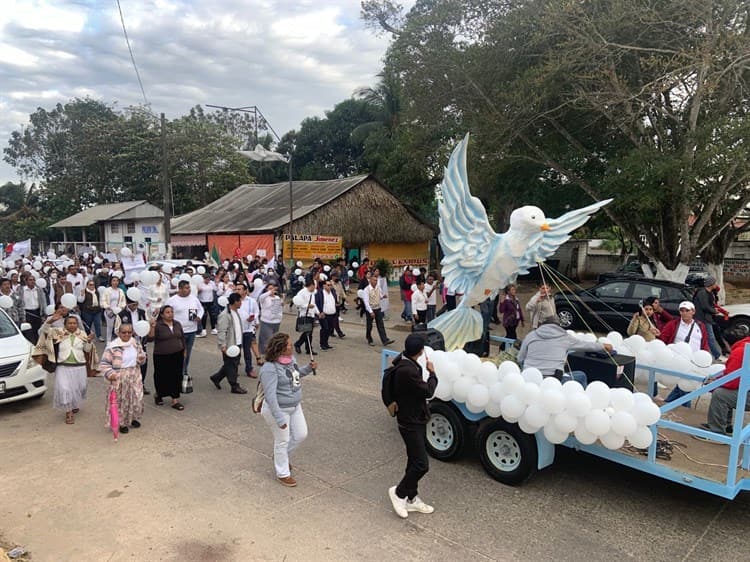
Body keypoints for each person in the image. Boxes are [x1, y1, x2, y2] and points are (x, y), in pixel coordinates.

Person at [387, 334, 438, 519]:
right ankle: (399, 493)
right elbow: (428, 392)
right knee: (422, 464)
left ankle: (412, 496)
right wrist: (432, 373)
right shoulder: (408, 371)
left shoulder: (402, 360)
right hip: (410, 421)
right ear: (420, 351)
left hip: (413, 417)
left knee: (413, 459)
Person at [259, 332, 317, 487]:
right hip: (278, 409)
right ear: (281, 348)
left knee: (301, 434)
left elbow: (296, 376)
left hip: (295, 405)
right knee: (282, 440)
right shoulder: (269, 369)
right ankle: (283, 473)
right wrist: (279, 418)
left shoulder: (291, 360)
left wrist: (308, 369)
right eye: (289, 345)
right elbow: (270, 397)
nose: (292, 347)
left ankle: (280, 457)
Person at [517, 315, 613, 386]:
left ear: (542, 325)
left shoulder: (531, 335)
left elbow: (520, 358)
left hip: (529, 379)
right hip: (554, 380)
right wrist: (603, 346)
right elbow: (586, 345)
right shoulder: (564, 337)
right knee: (581, 375)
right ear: (558, 326)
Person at [695, 328, 750, 441]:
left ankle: (717, 433)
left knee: (720, 394)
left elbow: (732, 382)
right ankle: (725, 425)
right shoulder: (745, 347)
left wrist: (714, 384)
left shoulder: (740, 352)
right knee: (725, 392)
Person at [40, 314, 94, 424]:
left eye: (74, 323)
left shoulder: (82, 334)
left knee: (80, 387)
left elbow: (87, 350)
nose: (72, 325)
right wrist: (49, 322)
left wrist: (89, 342)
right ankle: (69, 413)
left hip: (79, 366)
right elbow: (43, 332)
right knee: (65, 389)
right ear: (65, 324)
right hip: (63, 366)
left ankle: (74, 404)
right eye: (70, 323)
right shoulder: (58, 332)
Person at [99, 323, 147, 434]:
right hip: (119, 376)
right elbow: (104, 364)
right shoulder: (112, 346)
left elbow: (142, 357)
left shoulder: (135, 343)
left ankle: (133, 418)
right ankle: (121, 422)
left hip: (134, 374)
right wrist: (111, 374)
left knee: (136, 398)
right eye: (123, 332)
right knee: (121, 401)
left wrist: (141, 358)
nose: (126, 334)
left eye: (129, 332)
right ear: (118, 333)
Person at [659, 301, 710, 404]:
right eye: (682, 310)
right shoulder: (673, 324)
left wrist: (705, 360)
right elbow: (663, 340)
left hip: (695, 362)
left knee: (683, 386)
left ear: (693, 311)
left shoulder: (700, 326)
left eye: (687, 310)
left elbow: (704, 342)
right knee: (686, 386)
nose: (684, 313)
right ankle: (685, 410)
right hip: (679, 361)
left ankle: (667, 403)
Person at [147, 305, 186, 410]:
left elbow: (182, 337)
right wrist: (152, 327)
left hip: (177, 354)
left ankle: (175, 399)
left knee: (176, 375)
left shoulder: (177, 324)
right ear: (162, 315)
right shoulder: (158, 325)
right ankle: (159, 394)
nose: (170, 314)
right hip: (162, 355)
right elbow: (150, 339)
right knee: (162, 376)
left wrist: (184, 350)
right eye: (167, 312)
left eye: (172, 312)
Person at [210, 293, 248, 394]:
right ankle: (234, 385)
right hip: (230, 344)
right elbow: (222, 331)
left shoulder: (235, 312)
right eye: (239, 301)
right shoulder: (225, 315)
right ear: (235, 302)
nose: (241, 303)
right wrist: (223, 345)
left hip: (237, 343)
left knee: (230, 364)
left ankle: (216, 378)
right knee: (232, 365)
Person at [167, 280, 203, 379]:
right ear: (180, 289)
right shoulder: (172, 300)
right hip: (178, 331)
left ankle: (184, 372)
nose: (189, 290)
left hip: (191, 330)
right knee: (178, 353)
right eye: (186, 288)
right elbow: (166, 313)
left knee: (187, 353)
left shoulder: (194, 299)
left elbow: (201, 309)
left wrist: (199, 316)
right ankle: (176, 372)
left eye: (189, 288)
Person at [116, 296, 150, 395]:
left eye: (136, 304)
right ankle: (128, 385)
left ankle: (141, 383)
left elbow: (146, 324)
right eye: (133, 304)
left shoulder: (142, 312)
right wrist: (129, 333)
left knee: (143, 363)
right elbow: (116, 329)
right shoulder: (121, 315)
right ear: (128, 302)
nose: (135, 306)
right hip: (127, 344)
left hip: (140, 342)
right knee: (129, 364)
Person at [693, 276, 723, 359]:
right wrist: (714, 311)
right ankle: (717, 355)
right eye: (714, 283)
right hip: (702, 318)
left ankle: (703, 353)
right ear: (711, 284)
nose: (716, 285)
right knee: (710, 337)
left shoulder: (708, 292)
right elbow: (705, 306)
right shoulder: (702, 293)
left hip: (706, 318)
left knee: (706, 337)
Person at [236, 284, 262, 378]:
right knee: (236, 350)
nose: (237, 291)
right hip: (237, 330)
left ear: (245, 291)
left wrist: (254, 319)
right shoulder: (234, 300)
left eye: (239, 289)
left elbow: (256, 312)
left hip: (248, 329)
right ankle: (234, 369)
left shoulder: (251, 301)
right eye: (236, 289)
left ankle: (249, 369)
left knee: (247, 351)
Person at [363, 275, 395, 347]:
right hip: (370, 309)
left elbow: (380, 296)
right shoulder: (366, 290)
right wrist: (371, 312)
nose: (375, 282)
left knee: (380, 325)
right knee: (369, 326)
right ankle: (369, 338)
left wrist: (383, 296)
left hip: (378, 308)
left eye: (376, 280)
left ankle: (385, 340)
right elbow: (366, 302)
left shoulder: (378, 288)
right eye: (374, 280)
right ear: (370, 281)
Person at [292, 279, 319, 356]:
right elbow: (298, 304)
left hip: (311, 314)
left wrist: (318, 312)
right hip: (304, 314)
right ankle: (301, 345)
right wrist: (307, 306)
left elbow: (314, 304)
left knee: (309, 332)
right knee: (308, 332)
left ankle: (306, 348)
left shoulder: (312, 293)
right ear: (311, 285)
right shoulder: (302, 293)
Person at [19, 274, 47, 344]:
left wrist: (44, 313)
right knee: (28, 331)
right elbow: (19, 303)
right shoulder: (22, 290)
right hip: (27, 313)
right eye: (30, 280)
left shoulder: (39, 290)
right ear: (26, 281)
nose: (32, 281)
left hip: (37, 312)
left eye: (33, 280)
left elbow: (43, 301)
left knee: (37, 331)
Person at [258, 281, 284, 353]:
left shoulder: (277, 297)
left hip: (276, 321)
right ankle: (265, 352)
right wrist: (270, 292)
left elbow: (277, 309)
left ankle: (273, 352)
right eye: (270, 288)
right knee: (267, 338)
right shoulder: (264, 298)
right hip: (266, 321)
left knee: (274, 339)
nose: (272, 290)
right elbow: (261, 297)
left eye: (273, 288)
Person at [102, 275, 126, 343]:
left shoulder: (120, 291)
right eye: (114, 281)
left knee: (118, 327)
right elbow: (103, 300)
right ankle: (108, 342)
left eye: (117, 281)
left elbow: (123, 301)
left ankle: (118, 341)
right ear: (111, 282)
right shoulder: (107, 290)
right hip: (109, 311)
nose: (115, 282)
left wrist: (122, 307)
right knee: (110, 327)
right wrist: (107, 307)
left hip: (119, 311)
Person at [315, 279, 338, 351]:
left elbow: (334, 301)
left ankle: (326, 343)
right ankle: (322, 344)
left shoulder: (333, 292)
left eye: (331, 285)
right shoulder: (320, 293)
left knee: (330, 329)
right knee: (325, 328)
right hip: (324, 314)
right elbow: (317, 303)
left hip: (332, 314)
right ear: (324, 285)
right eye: (328, 285)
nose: (330, 286)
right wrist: (320, 312)